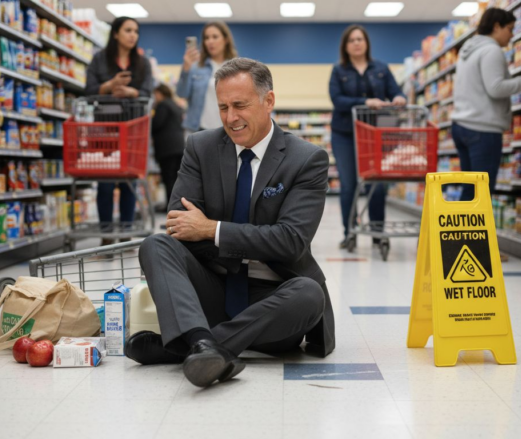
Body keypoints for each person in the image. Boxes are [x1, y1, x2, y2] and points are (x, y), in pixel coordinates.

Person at [125, 58, 335, 388]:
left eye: (240, 105)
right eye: (223, 107)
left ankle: (189, 345)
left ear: (269, 102)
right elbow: (180, 226)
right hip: (213, 288)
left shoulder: (306, 159)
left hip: (273, 305)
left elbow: (290, 241)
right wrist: (253, 237)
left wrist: (212, 228)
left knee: (309, 294)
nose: (230, 118)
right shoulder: (200, 147)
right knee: (156, 245)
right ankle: (205, 344)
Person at [451, 8, 521, 201]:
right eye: (510, 29)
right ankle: (476, 231)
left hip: (461, 125)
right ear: (497, 27)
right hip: (482, 129)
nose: (512, 36)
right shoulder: (491, 50)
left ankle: (462, 231)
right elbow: (496, 88)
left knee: (471, 189)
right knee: (482, 192)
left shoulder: (468, 48)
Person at [328, 25, 406, 249]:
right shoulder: (338, 70)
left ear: (366, 43)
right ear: (345, 46)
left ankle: (377, 233)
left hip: (374, 135)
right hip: (344, 134)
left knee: (376, 185)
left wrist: (399, 97)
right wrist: (364, 103)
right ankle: (349, 232)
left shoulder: (380, 68)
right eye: (351, 40)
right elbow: (337, 100)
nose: (356, 43)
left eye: (360, 39)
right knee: (349, 185)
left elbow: (395, 91)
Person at [84, 16, 154, 244]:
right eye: (128, 30)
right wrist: (109, 85)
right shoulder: (99, 60)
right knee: (104, 183)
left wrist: (133, 93)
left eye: (136, 31)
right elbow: (88, 91)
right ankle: (106, 235)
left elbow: (148, 93)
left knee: (129, 182)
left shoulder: (142, 64)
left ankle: (125, 234)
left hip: (132, 129)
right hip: (104, 129)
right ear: (115, 33)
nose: (133, 35)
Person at [176, 22, 238, 133]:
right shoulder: (196, 66)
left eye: (215, 37)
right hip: (198, 129)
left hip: (227, 129)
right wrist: (186, 69)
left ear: (226, 39)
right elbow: (181, 93)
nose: (210, 41)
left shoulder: (235, 67)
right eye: (206, 38)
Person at [151, 83, 185, 204]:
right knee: (177, 177)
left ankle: (171, 205)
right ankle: (177, 204)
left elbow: (156, 124)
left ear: (160, 93)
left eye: (155, 94)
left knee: (168, 177)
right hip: (179, 145)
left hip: (167, 148)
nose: (154, 97)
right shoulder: (175, 105)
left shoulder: (162, 105)